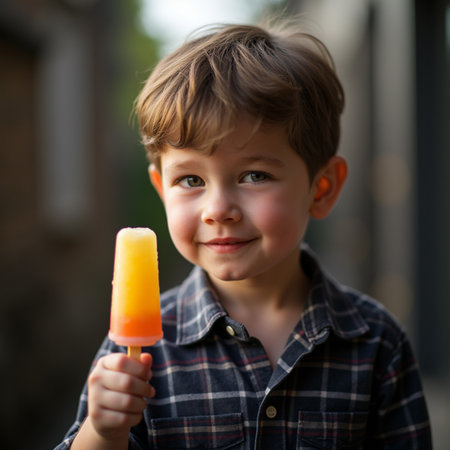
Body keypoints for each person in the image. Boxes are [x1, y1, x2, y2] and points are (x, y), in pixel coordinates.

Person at [55, 21, 432, 449]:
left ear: (321, 188)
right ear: (162, 190)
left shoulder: (376, 343)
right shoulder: (137, 350)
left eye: (255, 175)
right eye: (191, 180)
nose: (218, 210)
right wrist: (102, 431)